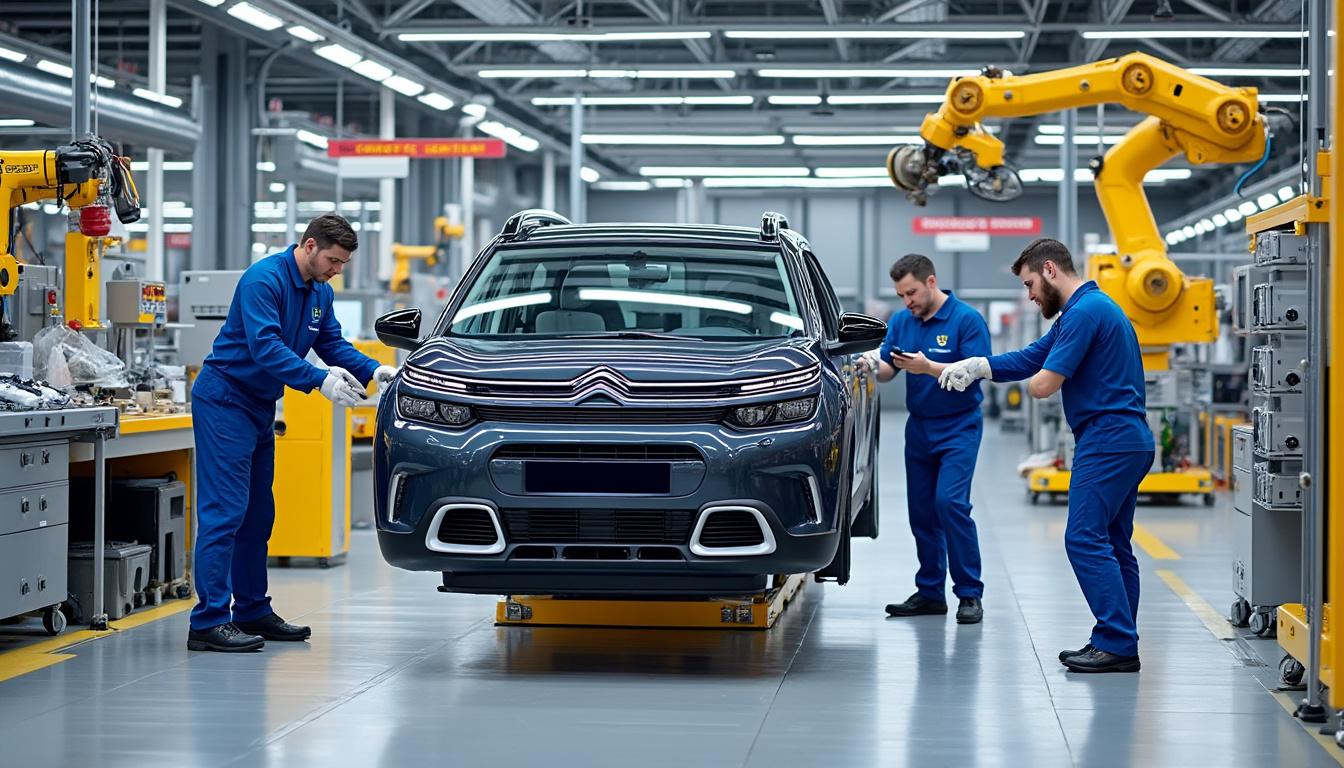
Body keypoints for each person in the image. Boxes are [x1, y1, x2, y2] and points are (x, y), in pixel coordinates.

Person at [939, 238, 1153, 674]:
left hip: (1107, 439)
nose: (1030, 295)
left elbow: (1042, 383)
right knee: (1113, 543)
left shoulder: (1085, 312)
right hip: (1127, 439)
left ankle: (1115, 641)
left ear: (1050, 270)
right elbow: (1032, 356)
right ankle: (1120, 639)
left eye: (1031, 283)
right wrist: (980, 366)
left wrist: (1034, 383)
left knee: (1083, 538)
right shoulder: (1085, 310)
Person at [187, 213, 399, 652]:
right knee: (225, 511)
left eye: (342, 264)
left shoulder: (319, 291)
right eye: (333, 260)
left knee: (258, 514)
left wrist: (375, 370)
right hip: (225, 400)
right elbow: (265, 347)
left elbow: (332, 344)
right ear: (308, 246)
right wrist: (318, 381)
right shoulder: (263, 280)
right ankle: (207, 621)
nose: (337, 271)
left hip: (259, 405)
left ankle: (251, 610)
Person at [858, 254, 991, 625]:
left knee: (950, 503)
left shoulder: (966, 320)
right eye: (901, 295)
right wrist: (871, 366)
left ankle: (969, 594)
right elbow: (888, 371)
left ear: (931, 282)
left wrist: (928, 367)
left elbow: (978, 373)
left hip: (958, 426)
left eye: (912, 292)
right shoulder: (902, 321)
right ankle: (930, 592)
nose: (907, 301)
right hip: (919, 429)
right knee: (921, 513)